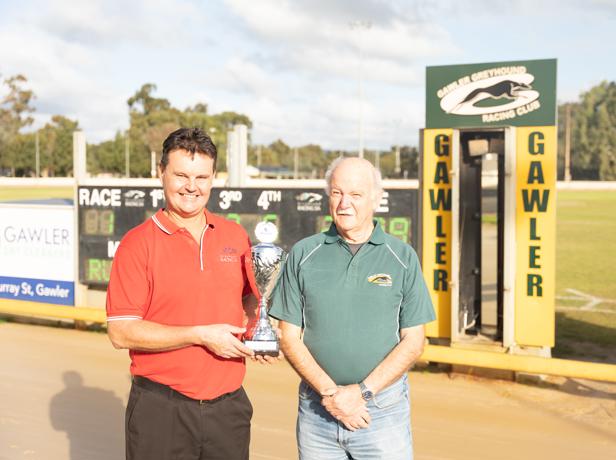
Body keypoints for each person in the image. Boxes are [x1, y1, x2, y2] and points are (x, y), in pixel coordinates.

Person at [106, 127, 271, 460]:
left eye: (202, 176)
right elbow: (120, 331)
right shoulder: (136, 244)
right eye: (181, 175)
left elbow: (251, 299)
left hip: (229, 408)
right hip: (161, 410)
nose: (192, 187)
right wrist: (200, 336)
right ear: (161, 173)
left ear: (213, 178)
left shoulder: (235, 235)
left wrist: (259, 330)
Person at [269, 157, 436, 460]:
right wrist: (330, 395)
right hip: (317, 412)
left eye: (356, 195)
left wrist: (361, 393)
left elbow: (414, 341)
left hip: (380, 413)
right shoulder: (304, 253)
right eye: (337, 193)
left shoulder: (402, 257)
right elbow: (289, 336)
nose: (344, 203)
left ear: (376, 199)